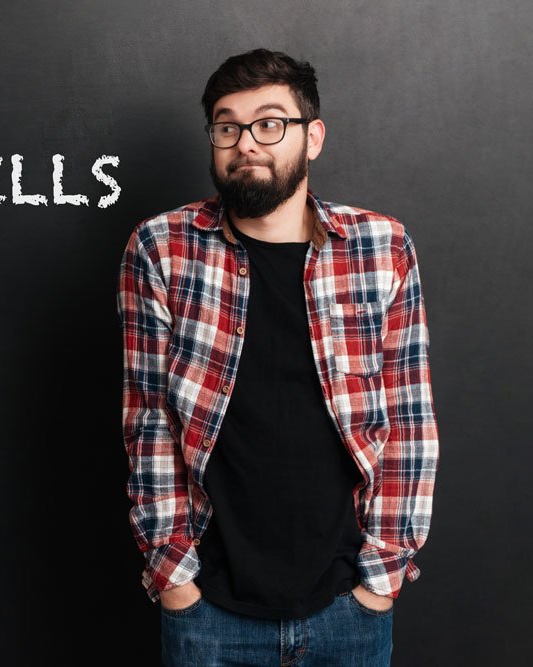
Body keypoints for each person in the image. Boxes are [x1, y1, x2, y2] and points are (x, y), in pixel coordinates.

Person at [115, 48, 440, 666]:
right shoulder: (161, 248)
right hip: (207, 607)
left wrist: (383, 576)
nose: (246, 143)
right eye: (227, 126)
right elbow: (149, 420)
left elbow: (409, 420)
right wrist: (174, 577)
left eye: (270, 123)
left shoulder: (381, 247)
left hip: (349, 603)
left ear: (312, 137)